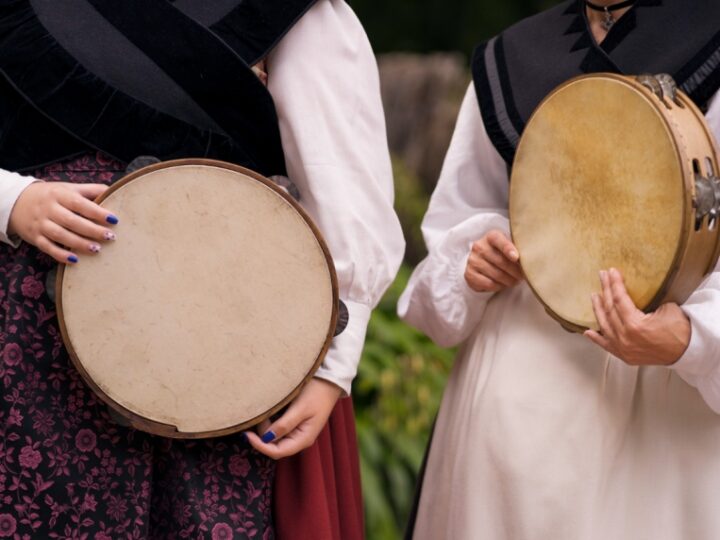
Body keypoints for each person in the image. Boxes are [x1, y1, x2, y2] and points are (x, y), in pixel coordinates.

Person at [0, 0, 404, 537]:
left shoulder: (299, 14)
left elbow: (342, 185)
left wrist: (331, 364)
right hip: (26, 337)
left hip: (221, 345)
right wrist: (12, 200)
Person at [398, 0, 720, 538]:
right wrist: (473, 263)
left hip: (672, 417)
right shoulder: (511, 58)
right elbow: (460, 221)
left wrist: (691, 337)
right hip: (514, 414)